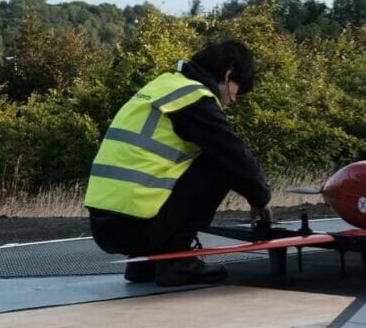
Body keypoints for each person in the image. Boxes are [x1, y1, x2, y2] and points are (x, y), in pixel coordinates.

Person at [84, 40, 272, 286]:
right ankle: (176, 261)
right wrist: (261, 198)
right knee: (219, 161)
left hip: (104, 225)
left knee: (193, 158)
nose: (234, 100)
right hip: (135, 225)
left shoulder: (162, 86)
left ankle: (144, 263)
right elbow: (235, 155)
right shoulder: (194, 98)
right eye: (238, 89)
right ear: (228, 75)